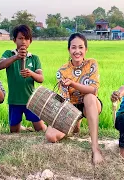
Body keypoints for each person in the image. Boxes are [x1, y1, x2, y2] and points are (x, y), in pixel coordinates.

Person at [45, 33, 104, 165]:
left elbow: (93, 90)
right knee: (51, 136)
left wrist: (72, 83)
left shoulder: (92, 64)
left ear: (86, 49)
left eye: (81, 47)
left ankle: (95, 148)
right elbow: (65, 98)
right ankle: (75, 124)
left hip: (91, 104)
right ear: (69, 50)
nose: (77, 51)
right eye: (73, 47)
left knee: (88, 97)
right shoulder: (62, 71)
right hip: (72, 107)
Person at [0, 24, 47, 133]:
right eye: (20, 38)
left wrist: (31, 74)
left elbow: (40, 78)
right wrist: (16, 57)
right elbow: (0, 66)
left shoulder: (34, 58)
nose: (23, 41)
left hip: (31, 100)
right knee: (14, 132)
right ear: (14, 40)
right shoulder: (9, 54)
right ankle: (23, 128)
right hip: (14, 100)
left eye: (27, 38)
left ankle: (28, 127)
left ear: (30, 41)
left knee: (41, 129)